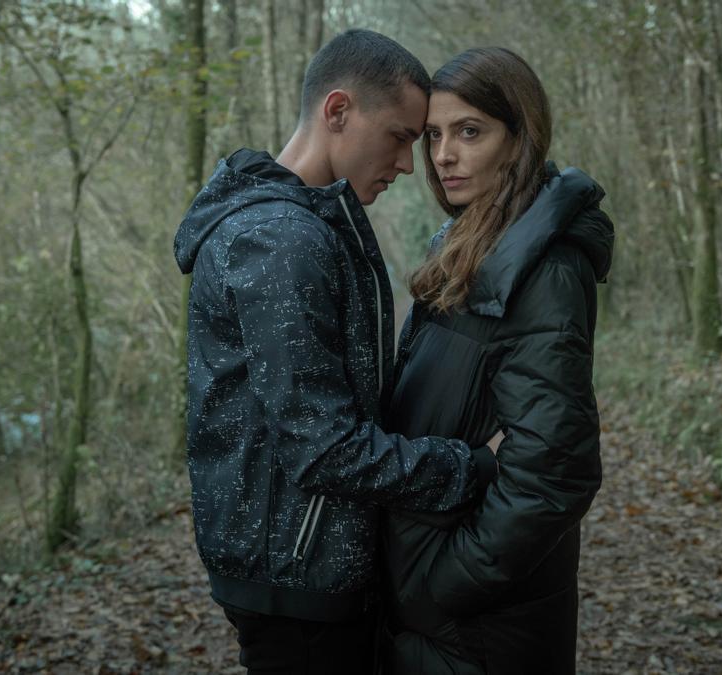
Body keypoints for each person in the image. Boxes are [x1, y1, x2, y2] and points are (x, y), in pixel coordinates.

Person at [172, 30, 498, 674]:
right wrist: (472, 468)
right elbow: (325, 448)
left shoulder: (302, 224)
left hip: (302, 568)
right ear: (339, 111)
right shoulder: (281, 240)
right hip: (298, 580)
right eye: (403, 136)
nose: (412, 165)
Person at [380, 47, 614, 674]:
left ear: (520, 138)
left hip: (479, 628)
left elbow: (554, 473)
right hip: (438, 612)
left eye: (470, 131)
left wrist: (440, 587)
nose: (444, 155)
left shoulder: (545, 268)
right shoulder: (469, 246)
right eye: (433, 135)